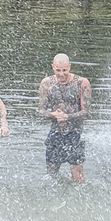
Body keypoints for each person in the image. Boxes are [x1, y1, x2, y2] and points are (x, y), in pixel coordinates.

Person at [37, 54, 91, 183]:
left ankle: (78, 198)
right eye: (58, 70)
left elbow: (86, 112)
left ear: (69, 67)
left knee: (77, 175)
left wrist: (67, 117)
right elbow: (41, 111)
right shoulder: (46, 83)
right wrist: (53, 115)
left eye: (64, 70)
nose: (61, 74)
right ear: (53, 67)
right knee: (51, 175)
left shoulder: (81, 83)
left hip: (75, 133)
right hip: (56, 132)